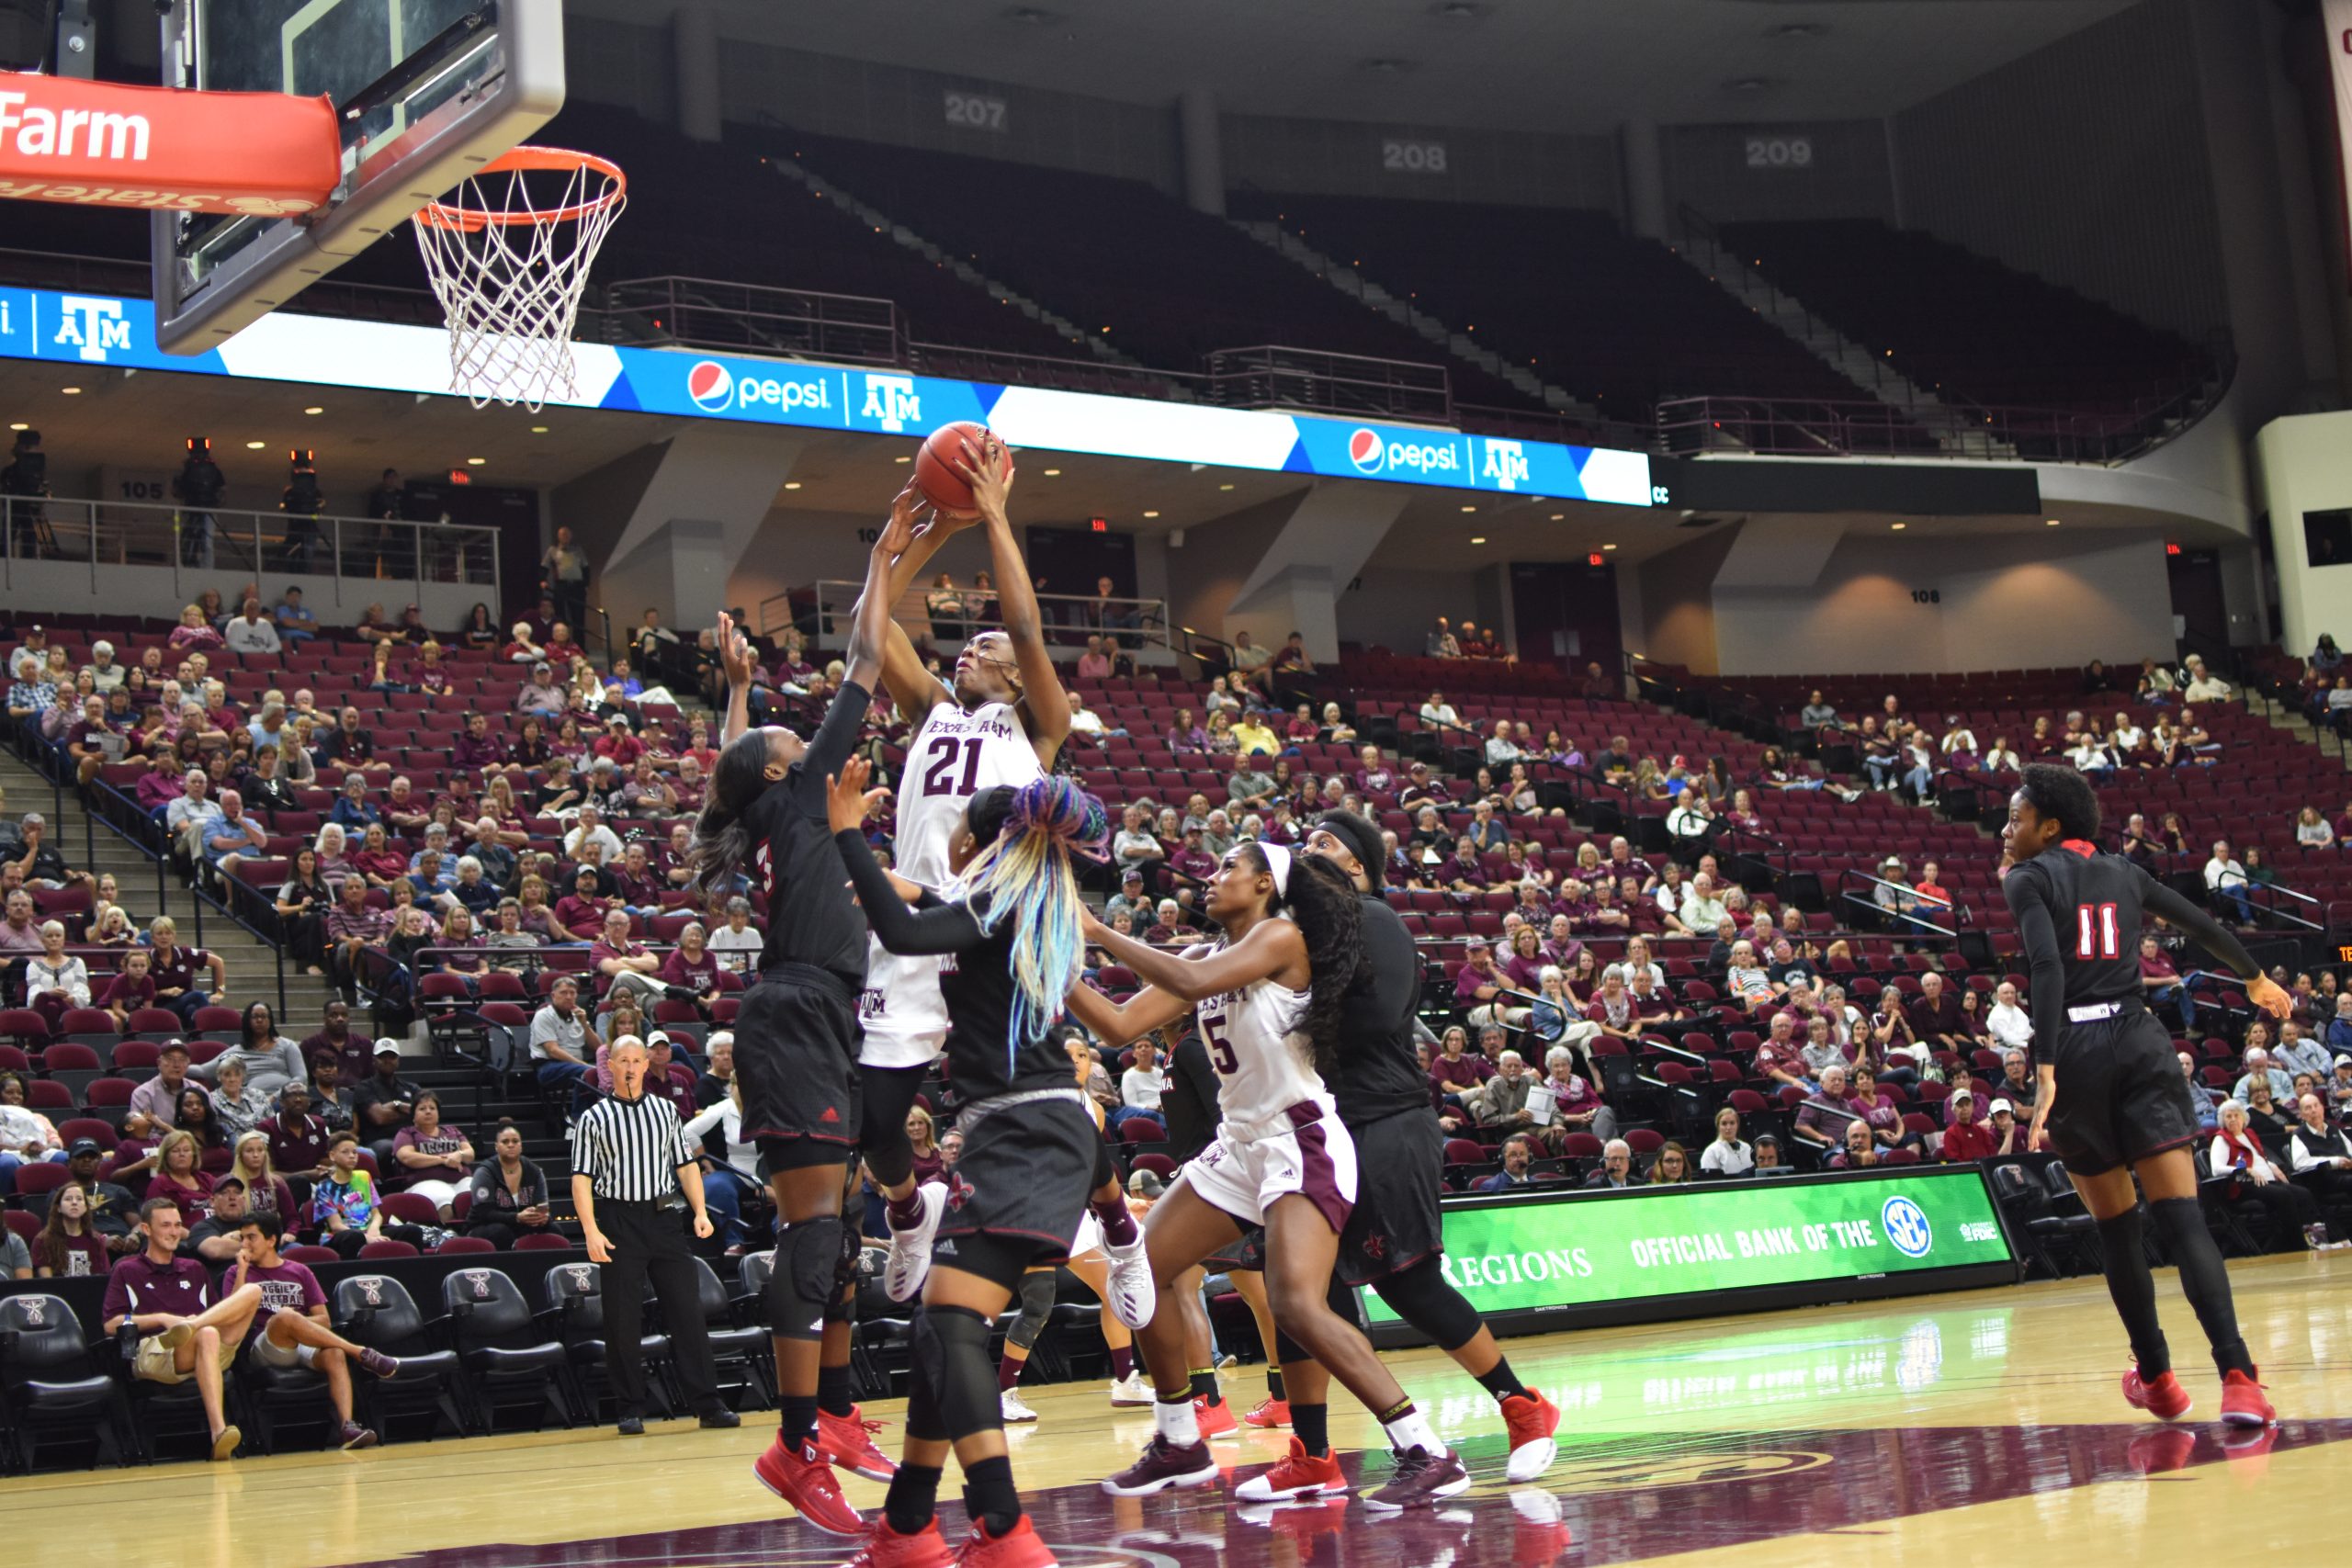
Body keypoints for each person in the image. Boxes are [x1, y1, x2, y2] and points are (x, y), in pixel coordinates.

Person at [1067, 836, 1466, 1513]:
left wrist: (1098, 928)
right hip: (1241, 1143)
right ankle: (1178, 1438)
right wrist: (1044, 960)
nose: (1211, 873)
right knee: (1138, 1266)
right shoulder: (1200, 954)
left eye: (1229, 865)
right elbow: (1114, 1023)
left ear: (1265, 886)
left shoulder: (1281, 937)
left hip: (1299, 1138)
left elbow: (1192, 987)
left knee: (1295, 1304)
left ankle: (1424, 1447)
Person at [684, 496, 913, 1532]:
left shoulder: (776, 796)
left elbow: (732, 778)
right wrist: (884, 556)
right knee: (814, 1236)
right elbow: (866, 655)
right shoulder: (807, 778)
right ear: (788, 765)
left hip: (816, 1010)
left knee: (842, 1232)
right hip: (794, 1014)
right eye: (780, 725)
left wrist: (735, 697)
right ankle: (790, 1445)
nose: (794, 719)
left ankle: (834, 1411)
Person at [2001, 762, 2285, 1427]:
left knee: (2119, 1230)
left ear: (2049, 826)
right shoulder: (2126, 872)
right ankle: (2239, 1376)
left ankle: (2157, 1377)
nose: (2005, 828)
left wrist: (2044, 1065)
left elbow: (2045, 965)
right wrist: (2254, 977)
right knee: (2184, 1219)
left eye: (2016, 817)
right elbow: (2202, 923)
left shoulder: (2026, 877)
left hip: (2074, 1050)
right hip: (2138, 1040)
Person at [570, 1035, 740, 1437]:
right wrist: (591, 1230)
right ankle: (629, 1407)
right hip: (617, 1221)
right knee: (622, 1318)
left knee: (687, 1312)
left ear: (646, 1065)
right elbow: (580, 1179)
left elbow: (686, 1166)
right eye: (622, 1061)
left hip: (664, 1218)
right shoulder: (593, 1118)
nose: (629, 1067)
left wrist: (699, 1211)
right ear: (609, 1066)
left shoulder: (666, 1111)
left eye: (636, 1060)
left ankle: (709, 1404)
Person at [103, 1196, 257, 1461]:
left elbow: (223, 1314)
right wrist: (162, 1318)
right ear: (146, 1230)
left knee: (253, 1291)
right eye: (166, 1225)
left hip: (203, 1344)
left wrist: (241, 1271)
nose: (174, 1232)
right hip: (156, 1350)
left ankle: (192, 1325)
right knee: (206, 1333)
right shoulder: (127, 1269)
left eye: (177, 1225)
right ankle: (218, 1430)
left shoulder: (194, 1268)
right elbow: (111, 1324)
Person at [229, 1209, 399, 1449]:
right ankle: (360, 1352)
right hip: (265, 1345)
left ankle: (348, 1427)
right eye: (242, 1238)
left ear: (271, 1240)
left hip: (304, 1344)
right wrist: (243, 1273)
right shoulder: (236, 1273)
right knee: (284, 1317)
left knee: (333, 1352)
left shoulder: (300, 1271)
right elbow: (231, 1314)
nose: (244, 1244)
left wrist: (297, 1325)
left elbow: (324, 1321)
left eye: (251, 1237)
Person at [2209, 1100, 2320, 1250]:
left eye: (2236, 1115)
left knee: (2303, 1193)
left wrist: (2272, 1166)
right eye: (2229, 1116)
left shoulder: (2249, 1133)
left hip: (2266, 1180)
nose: (2233, 1119)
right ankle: (2298, 1245)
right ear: (2223, 1120)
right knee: (2283, 1195)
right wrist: (2246, 1170)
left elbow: (2259, 1157)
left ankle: (2313, 1238)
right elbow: (2216, 1168)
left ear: (2243, 1118)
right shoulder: (2221, 1139)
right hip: (2244, 1185)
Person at [464, 1121, 554, 1248]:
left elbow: (543, 1206)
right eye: (505, 1142)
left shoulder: (535, 1172)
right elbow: (483, 1213)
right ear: (496, 1146)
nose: (511, 1145)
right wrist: (517, 1217)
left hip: (520, 1225)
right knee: (501, 1232)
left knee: (553, 1229)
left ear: (521, 1146)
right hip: (482, 1227)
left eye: (515, 1141)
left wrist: (543, 1218)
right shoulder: (485, 1172)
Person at [1701, 1106, 1753, 1177]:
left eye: (1732, 1123)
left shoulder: (1747, 1147)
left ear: (1737, 1125)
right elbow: (1710, 1180)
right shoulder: (1711, 1151)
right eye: (1724, 1124)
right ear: (1718, 1126)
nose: (1728, 1127)